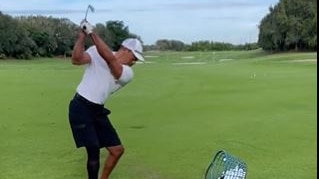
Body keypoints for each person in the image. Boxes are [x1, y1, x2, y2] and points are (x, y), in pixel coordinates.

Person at [68, 20, 144, 179]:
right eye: (134, 56)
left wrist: (92, 33)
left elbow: (111, 60)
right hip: (80, 107)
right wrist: (82, 36)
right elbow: (76, 59)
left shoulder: (128, 72)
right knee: (93, 150)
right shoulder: (96, 51)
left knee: (117, 150)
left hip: (97, 111)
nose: (134, 61)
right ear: (124, 49)